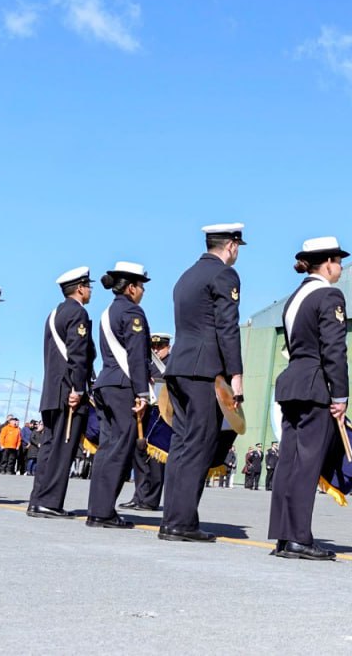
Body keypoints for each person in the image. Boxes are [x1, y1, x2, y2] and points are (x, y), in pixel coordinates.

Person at [161, 223, 245, 544]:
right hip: (204, 372)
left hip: (179, 367)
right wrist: (235, 375)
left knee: (181, 445)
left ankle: (174, 519)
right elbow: (228, 326)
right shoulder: (224, 275)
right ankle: (182, 523)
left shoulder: (186, 276)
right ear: (232, 245)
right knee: (198, 445)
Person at [268, 235, 349, 561]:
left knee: (288, 461)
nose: (341, 267)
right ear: (327, 263)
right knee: (307, 464)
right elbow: (334, 348)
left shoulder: (295, 297)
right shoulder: (330, 295)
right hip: (316, 385)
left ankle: (284, 536)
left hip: (292, 383)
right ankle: (300, 537)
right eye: (339, 261)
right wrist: (340, 394)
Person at [87, 262, 153, 529]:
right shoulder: (132, 312)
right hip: (124, 386)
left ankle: (97, 509)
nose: (142, 292)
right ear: (131, 287)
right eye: (141, 287)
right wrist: (142, 393)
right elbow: (137, 356)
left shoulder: (107, 312)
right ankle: (103, 512)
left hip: (106, 383)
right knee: (119, 450)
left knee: (106, 448)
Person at [28, 267, 96, 519]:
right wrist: (78, 388)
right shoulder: (78, 313)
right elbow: (77, 355)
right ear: (80, 288)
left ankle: (38, 499)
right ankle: (50, 501)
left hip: (53, 391)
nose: (90, 291)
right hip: (69, 392)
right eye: (88, 286)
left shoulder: (55, 312)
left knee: (49, 447)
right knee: (62, 449)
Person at [122, 331, 171, 511]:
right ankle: (139, 496)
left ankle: (150, 500)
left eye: (160, 347)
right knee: (140, 459)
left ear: (168, 347)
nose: (157, 350)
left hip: (162, 416)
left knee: (156, 461)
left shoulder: (172, 364)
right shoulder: (148, 364)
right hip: (146, 413)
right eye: (154, 347)